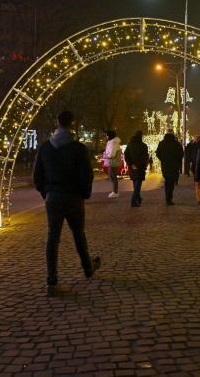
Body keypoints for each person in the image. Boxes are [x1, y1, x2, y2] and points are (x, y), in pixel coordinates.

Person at [33, 110, 101, 298]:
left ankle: (51, 281)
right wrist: (84, 194)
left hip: (53, 197)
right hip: (74, 197)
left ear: (56, 125)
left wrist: (46, 193)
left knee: (52, 238)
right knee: (78, 234)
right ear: (73, 125)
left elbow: (37, 176)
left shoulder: (45, 148)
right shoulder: (79, 149)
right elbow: (87, 175)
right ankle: (87, 267)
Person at [156, 128, 184, 205]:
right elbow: (181, 154)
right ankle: (169, 198)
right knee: (171, 182)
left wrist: (163, 159)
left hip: (165, 165)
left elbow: (158, 153)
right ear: (172, 134)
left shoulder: (161, 143)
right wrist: (177, 161)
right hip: (174, 165)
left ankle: (167, 198)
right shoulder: (176, 143)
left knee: (167, 181)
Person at [124, 130, 150, 208]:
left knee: (136, 183)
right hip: (140, 168)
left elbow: (126, 156)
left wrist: (131, 165)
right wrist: (138, 165)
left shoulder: (129, 145)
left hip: (132, 168)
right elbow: (145, 157)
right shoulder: (143, 146)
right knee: (137, 185)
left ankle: (138, 198)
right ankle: (133, 201)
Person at [103, 130, 121, 198]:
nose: (106, 137)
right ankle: (114, 191)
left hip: (113, 163)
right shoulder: (111, 142)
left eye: (107, 135)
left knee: (113, 177)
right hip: (112, 162)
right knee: (112, 177)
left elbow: (111, 155)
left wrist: (104, 156)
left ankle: (115, 192)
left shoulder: (114, 143)